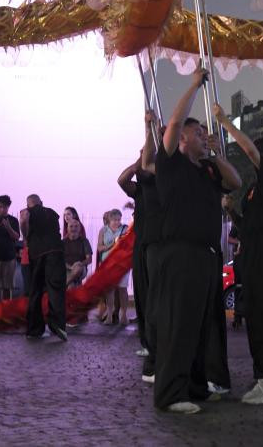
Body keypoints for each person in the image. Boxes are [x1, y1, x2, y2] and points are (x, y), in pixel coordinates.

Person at [151, 70, 240, 414]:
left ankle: (194, 385)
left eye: (205, 133)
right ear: (183, 140)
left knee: (201, 325)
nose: (203, 136)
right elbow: (172, 125)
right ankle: (170, 393)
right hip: (179, 253)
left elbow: (233, 181)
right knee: (178, 324)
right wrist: (192, 85)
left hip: (206, 256)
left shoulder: (207, 170)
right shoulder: (171, 163)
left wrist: (215, 155)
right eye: (197, 133)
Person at [211, 106, 263, 405]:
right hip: (254, 251)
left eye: (262, 155)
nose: (256, 158)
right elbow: (250, 225)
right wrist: (231, 211)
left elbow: (250, 151)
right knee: (256, 313)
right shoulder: (259, 187)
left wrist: (224, 121)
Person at [117, 115, 162, 365]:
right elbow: (122, 180)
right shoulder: (140, 188)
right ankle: (146, 341)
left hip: (158, 243)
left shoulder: (162, 180)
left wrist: (152, 135)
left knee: (156, 294)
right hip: (141, 245)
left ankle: (156, 339)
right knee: (143, 295)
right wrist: (139, 159)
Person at [21, 194, 67, 341]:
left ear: (29, 205)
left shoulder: (27, 211)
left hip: (37, 254)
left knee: (35, 291)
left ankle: (34, 329)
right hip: (56, 252)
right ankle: (58, 325)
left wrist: (26, 236)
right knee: (56, 289)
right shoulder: (52, 213)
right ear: (41, 202)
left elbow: (23, 220)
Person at [97, 209, 131, 325]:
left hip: (122, 264)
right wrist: (113, 244)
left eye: (118, 220)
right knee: (109, 290)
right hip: (108, 264)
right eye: (114, 220)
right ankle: (109, 315)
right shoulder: (103, 230)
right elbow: (99, 248)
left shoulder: (125, 229)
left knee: (122, 289)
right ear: (109, 219)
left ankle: (124, 315)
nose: (117, 222)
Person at [63, 220, 92, 289]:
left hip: (80, 268)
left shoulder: (84, 241)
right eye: (71, 226)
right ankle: (69, 283)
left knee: (77, 268)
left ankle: (63, 285)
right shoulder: (63, 242)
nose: (73, 228)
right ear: (67, 229)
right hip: (66, 268)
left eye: (76, 226)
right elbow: (60, 259)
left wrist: (80, 264)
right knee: (71, 286)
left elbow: (89, 259)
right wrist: (70, 267)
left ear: (79, 229)